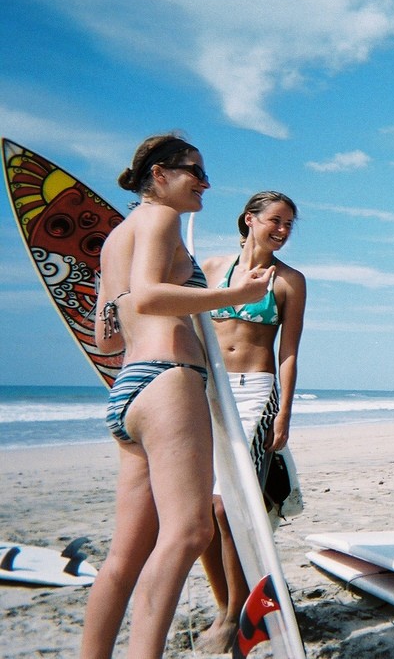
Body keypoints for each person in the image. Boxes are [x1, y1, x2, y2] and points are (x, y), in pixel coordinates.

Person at [83, 134, 274, 659]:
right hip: (169, 378)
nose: (206, 183)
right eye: (195, 171)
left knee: (125, 554)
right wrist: (236, 295)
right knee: (188, 532)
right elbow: (148, 295)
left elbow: (106, 337)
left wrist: (138, 305)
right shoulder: (160, 217)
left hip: (129, 389)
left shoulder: (115, 237)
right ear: (159, 175)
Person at [197, 191, 306, 652]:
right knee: (201, 509)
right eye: (275, 221)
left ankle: (234, 613)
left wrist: (283, 411)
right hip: (207, 392)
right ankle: (228, 606)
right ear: (250, 219)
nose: (281, 231)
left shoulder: (290, 281)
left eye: (288, 225)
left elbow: (289, 351)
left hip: (255, 395)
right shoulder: (210, 269)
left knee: (231, 508)